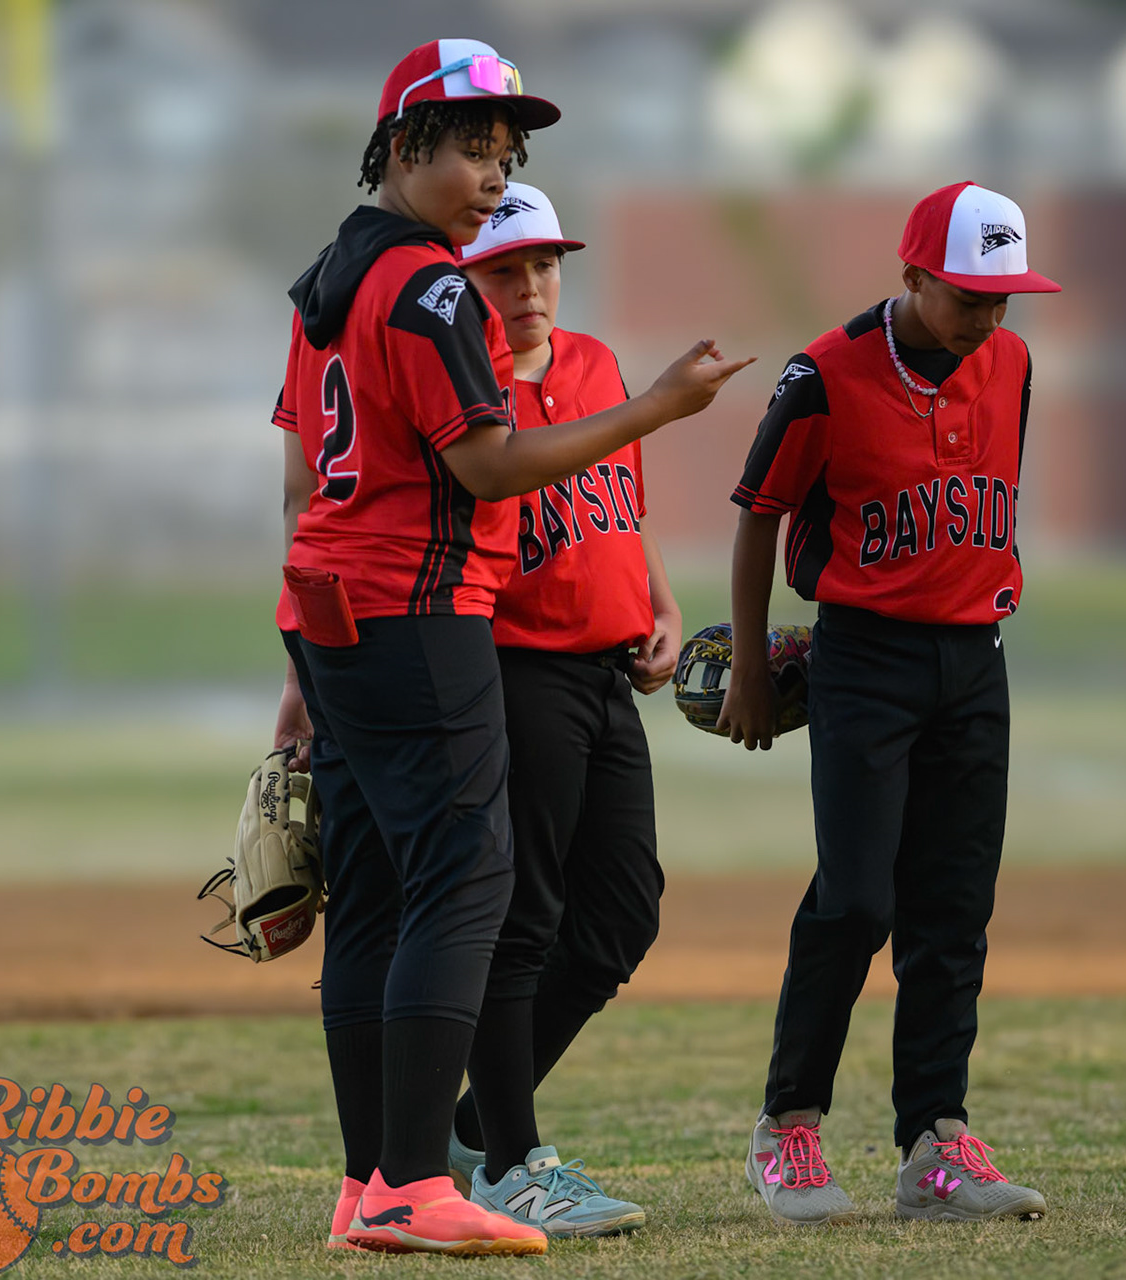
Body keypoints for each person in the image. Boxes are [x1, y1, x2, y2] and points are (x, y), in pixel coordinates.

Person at [269, 40, 751, 1255]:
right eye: (471, 144)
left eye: (504, 151)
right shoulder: (430, 287)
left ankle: (370, 1174)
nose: (492, 172)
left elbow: (297, 483)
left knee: (376, 890)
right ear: (404, 142)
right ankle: (418, 1182)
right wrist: (653, 407)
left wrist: (300, 667)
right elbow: (484, 464)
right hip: (419, 606)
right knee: (465, 882)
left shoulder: (329, 272)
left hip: (335, 605)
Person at [718, 182, 1061, 1226]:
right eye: (967, 295)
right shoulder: (824, 375)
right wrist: (745, 664)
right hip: (864, 659)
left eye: (1004, 295)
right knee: (858, 899)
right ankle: (788, 1125)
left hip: (976, 659)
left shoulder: (1011, 362)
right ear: (910, 278)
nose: (989, 316)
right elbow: (758, 516)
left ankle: (936, 1142)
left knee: (953, 909)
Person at [435, 183, 676, 1237]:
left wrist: (659, 596)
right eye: (502, 268)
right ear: (465, 282)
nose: (529, 285)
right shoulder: (460, 383)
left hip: (609, 669)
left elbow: (620, 493)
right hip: (517, 664)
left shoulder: (595, 364)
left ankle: (474, 1122)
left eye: (543, 263)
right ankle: (510, 1160)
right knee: (524, 915)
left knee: (622, 910)